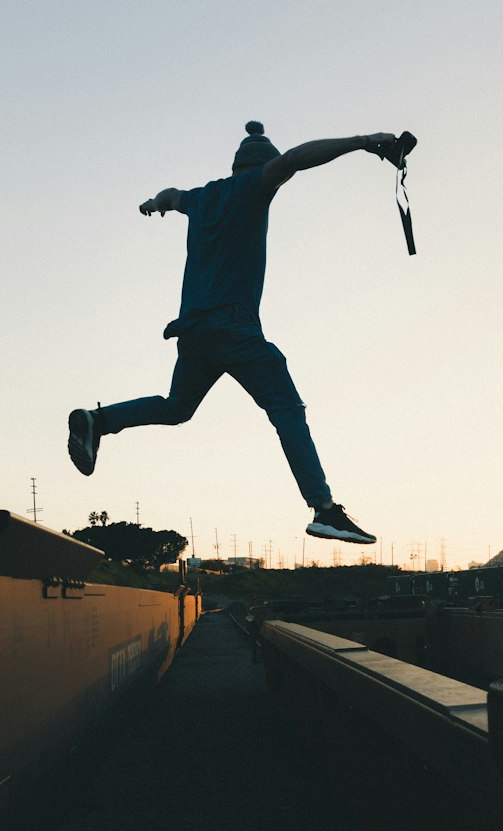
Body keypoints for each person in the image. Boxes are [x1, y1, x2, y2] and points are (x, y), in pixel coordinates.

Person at [67, 121, 405, 546]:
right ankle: (324, 509)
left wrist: (155, 204)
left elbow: (172, 196)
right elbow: (297, 159)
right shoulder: (253, 188)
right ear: (262, 169)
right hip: (234, 330)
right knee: (286, 410)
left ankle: (99, 420)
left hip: (194, 334)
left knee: (177, 407)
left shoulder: (203, 197)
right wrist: (363, 143)